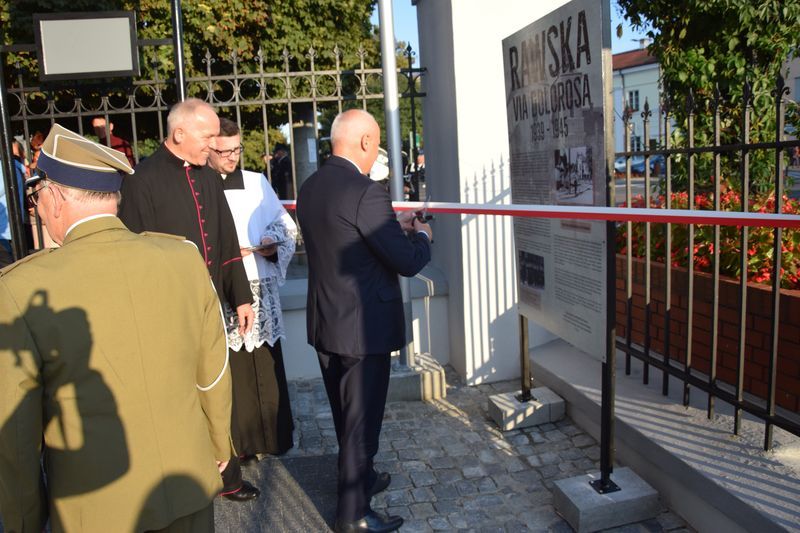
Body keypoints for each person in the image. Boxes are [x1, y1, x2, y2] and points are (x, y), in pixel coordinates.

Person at [0, 124, 234, 532]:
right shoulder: (182, 258)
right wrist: (217, 445)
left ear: (55, 197)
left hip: (95, 508)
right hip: (187, 484)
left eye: (37, 196)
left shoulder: (20, 288)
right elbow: (213, 370)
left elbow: (16, 433)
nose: (37, 207)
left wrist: (24, 520)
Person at [297, 109, 432, 533]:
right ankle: (353, 514)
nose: (377, 153)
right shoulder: (365, 191)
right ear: (365, 142)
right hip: (361, 329)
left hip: (327, 322)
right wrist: (422, 236)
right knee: (360, 423)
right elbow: (405, 261)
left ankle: (363, 478)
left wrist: (394, 226)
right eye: (377, 144)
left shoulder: (311, 186)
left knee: (346, 416)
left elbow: (353, 238)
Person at [118, 98, 260, 503]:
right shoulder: (142, 181)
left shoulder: (208, 177)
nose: (214, 144)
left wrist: (241, 298)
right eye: (207, 136)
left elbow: (227, 240)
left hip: (210, 305)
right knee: (179, 396)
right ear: (179, 133)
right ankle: (187, 475)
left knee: (217, 391)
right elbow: (135, 254)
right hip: (168, 311)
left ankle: (228, 477)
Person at [208, 117, 296, 458]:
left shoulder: (257, 182)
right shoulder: (200, 186)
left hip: (260, 284)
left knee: (266, 363)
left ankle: (274, 438)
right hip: (225, 288)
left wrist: (271, 242)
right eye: (224, 151)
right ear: (209, 148)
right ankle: (241, 446)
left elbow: (284, 225)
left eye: (237, 150)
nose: (232, 157)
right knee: (235, 369)